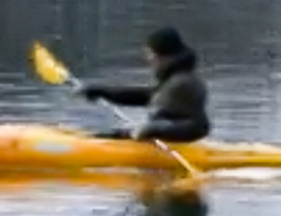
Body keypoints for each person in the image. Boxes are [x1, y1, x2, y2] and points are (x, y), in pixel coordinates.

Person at [82, 26, 212, 143]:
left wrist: (153, 129)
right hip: (163, 138)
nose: (148, 59)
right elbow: (147, 97)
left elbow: (199, 126)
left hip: (173, 142)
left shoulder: (184, 83)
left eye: (151, 54)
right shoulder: (175, 79)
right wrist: (102, 92)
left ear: (165, 57)